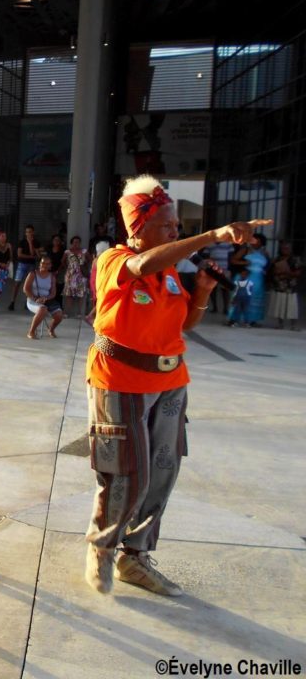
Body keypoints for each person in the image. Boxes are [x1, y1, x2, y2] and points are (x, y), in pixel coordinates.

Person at [83, 173, 269, 597]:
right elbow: (140, 265)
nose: (175, 232)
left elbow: (186, 323)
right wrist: (211, 235)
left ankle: (135, 556)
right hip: (121, 381)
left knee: (163, 472)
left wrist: (201, 291)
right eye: (167, 226)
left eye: (176, 227)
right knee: (128, 472)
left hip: (170, 382)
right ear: (138, 228)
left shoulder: (169, 275)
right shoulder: (115, 260)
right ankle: (102, 547)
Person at [228, 233, 269, 326]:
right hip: (245, 277)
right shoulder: (245, 250)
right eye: (253, 240)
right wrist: (244, 262)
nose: (254, 243)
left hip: (259, 279)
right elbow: (233, 260)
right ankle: (234, 319)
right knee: (240, 297)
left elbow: (268, 265)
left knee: (255, 299)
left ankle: (251, 320)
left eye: (257, 241)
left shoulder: (264, 252)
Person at [24, 254, 64, 339]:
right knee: (42, 309)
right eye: (43, 263)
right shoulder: (32, 274)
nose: (45, 265)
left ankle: (51, 329)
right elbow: (26, 289)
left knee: (59, 315)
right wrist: (35, 298)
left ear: (50, 265)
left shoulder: (52, 277)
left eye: (47, 264)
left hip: (47, 300)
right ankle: (31, 332)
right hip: (33, 299)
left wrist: (45, 298)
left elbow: (53, 293)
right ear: (40, 264)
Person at [269, 240, 301, 330]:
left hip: (291, 286)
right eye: (283, 248)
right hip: (280, 285)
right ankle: (280, 324)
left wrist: (287, 272)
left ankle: (293, 325)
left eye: (287, 248)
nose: (285, 250)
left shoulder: (295, 259)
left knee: (292, 306)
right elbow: (272, 271)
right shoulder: (277, 259)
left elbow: (298, 273)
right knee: (280, 305)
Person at [8, 224, 38, 310]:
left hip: (31, 265)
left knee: (30, 285)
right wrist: (31, 257)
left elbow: (34, 254)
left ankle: (27, 302)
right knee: (17, 283)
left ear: (33, 232)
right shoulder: (21, 242)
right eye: (27, 232)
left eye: (30, 232)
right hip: (22, 264)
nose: (28, 234)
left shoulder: (36, 242)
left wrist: (30, 243)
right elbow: (19, 255)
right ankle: (12, 302)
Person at [62, 236, 90, 317]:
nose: (76, 243)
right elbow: (62, 261)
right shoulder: (67, 252)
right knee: (69, 294)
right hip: (70, 274)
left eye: (78, 242)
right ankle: (66, 312)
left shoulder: (84, 251)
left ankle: (80, 313)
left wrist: (84, 265)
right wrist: (69, 267)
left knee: (81, 294)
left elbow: (90, 260)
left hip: (81, 274)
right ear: (71, 243)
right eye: (74, 242)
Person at [205, 239, 234, 314]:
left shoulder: (228, 243)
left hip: (225, 270)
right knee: (212, 289)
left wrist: (229, 269)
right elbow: (206, 256)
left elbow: (231, 256)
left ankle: (226, 308)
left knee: (225, 289)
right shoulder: (209, 244)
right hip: (213, 270)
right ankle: (215, 307)